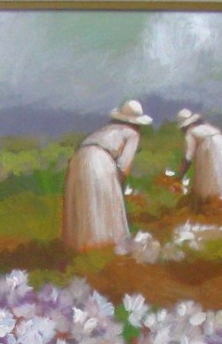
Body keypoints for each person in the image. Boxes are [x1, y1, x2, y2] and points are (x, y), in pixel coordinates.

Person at [61, 99, 153, 251]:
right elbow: (123, 165)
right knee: (104, 201)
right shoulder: (133, 134)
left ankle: (78, 246)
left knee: (84, 201)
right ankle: (103, 245)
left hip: (78, 159)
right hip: (100, 160)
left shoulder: (105, 130)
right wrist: (118, 190)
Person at [171, 108, 222, 205]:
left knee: (208, 178)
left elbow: (188, 157)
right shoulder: (207, 127)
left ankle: (209, 200)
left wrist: (179, 177)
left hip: (210, 147)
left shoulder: (190, 133)